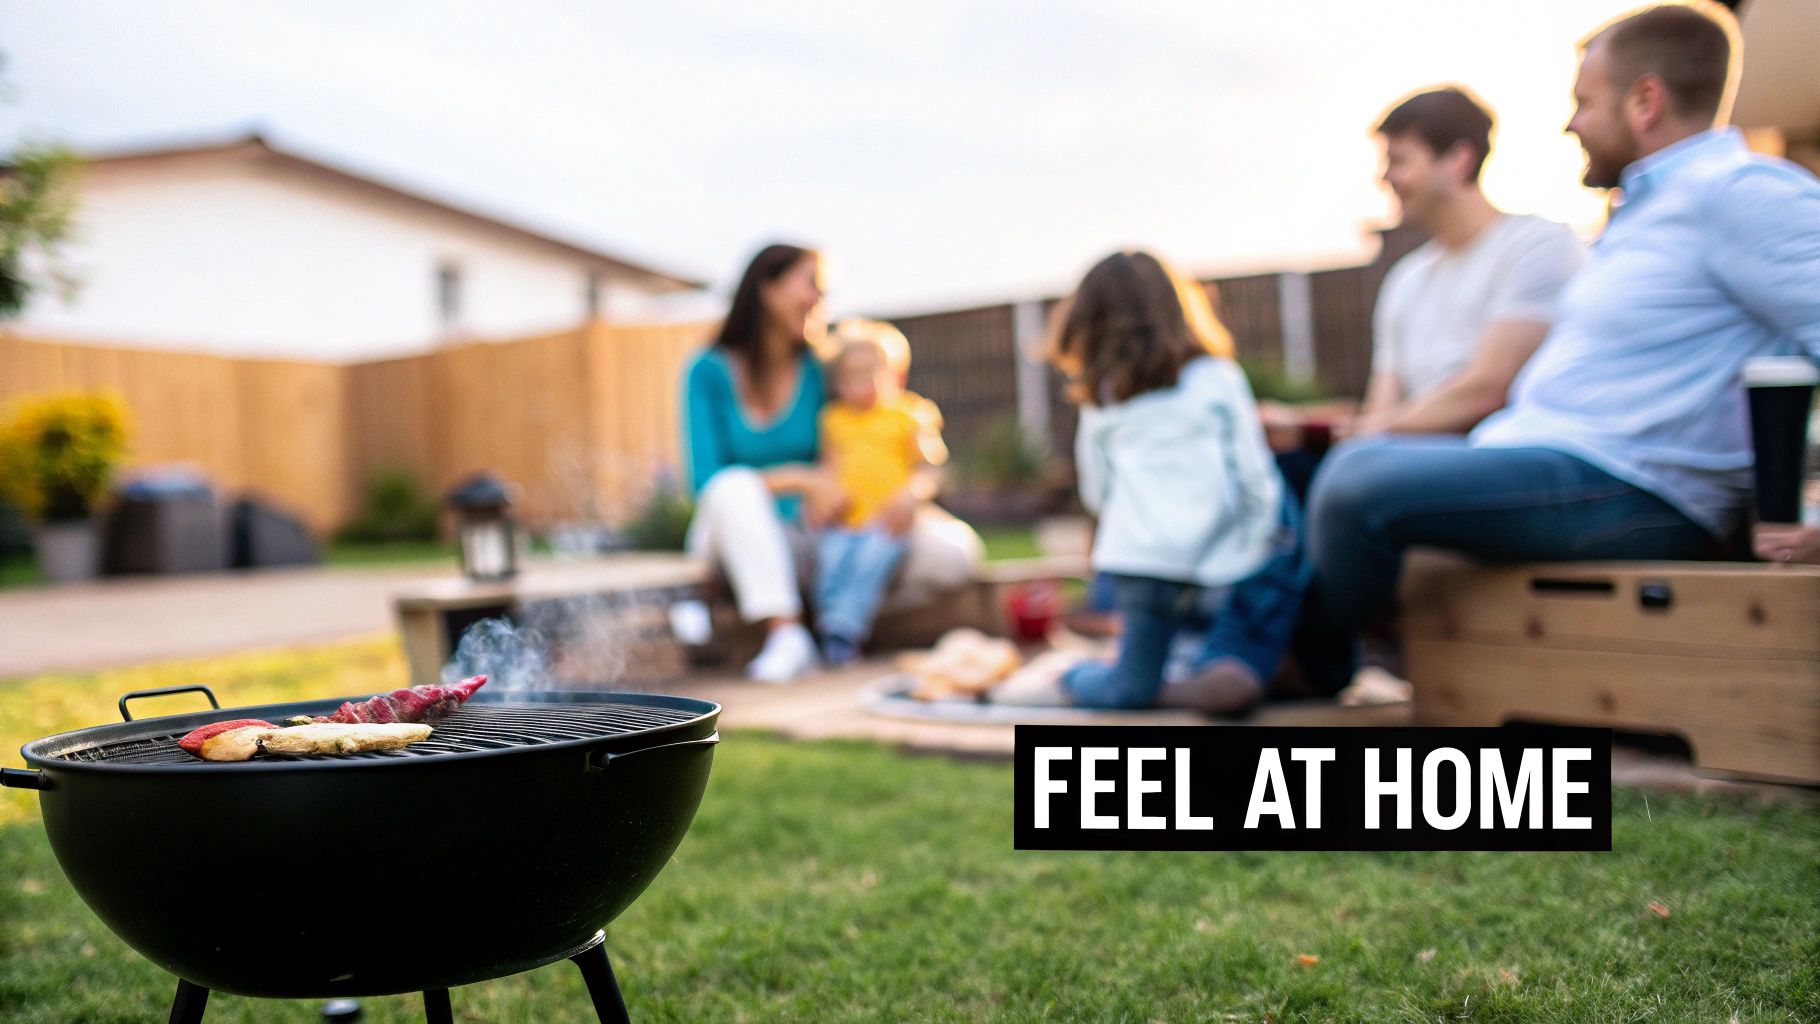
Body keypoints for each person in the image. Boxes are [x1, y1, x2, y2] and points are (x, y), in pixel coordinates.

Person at [1303, 2, 1820, 669]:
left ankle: (1313, 665)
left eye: (1584, 101)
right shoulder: (1643, 213)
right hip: (1558, 463)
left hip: (1635, 489)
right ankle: (1283, 651)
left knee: (1359, 478)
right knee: (1324, 469)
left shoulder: (1742, 192)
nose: (1570, 122)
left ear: (1645, 100)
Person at [680, 244, 982, 683]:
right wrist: (805, 480)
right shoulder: (706, 371)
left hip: (820, 534)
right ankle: (786, 633)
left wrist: (906, 493)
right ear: (768, 288)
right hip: (737, 534)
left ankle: (844, 620)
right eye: (813, 287)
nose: (822, 302)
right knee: (732, 488)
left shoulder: (819, 368)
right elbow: (706, 481)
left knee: (953, 552)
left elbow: (867, 439)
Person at [1026, 250, 1306, 713]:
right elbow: (1255, 475)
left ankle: (1071, 679)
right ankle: (1219, 674)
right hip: (1225, 556)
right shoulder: (1217, 376)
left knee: (1129, 688)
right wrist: (1262, 539)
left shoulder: (1104, 395)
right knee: (1246, 609)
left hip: (1143, 565)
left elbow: (1098, 490)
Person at [1356, 87, 1587, 437]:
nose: (1384, 178)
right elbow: (1381, 412)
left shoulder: (1536, 244)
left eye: (1399, 161)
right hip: (1411, 452)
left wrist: (1365, 433)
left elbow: (1487, 391)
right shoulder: (1406, 279)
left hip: (1503, 447)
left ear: (1458, 160)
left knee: (1350, 470)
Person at [813, 319, 948, 666]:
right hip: (845, 522)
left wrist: (911, 497)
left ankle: (845, 630)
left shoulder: (909, 414)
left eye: (873, 372)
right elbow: (828, 468)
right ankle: (829, 626)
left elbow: (930, 469)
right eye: (852, 375)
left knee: (871, 562)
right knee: (831, 563)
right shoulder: (834, 419)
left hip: (888, 522)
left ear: (896, 375)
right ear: (838, 383)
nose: (864, 384)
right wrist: (822, 500)